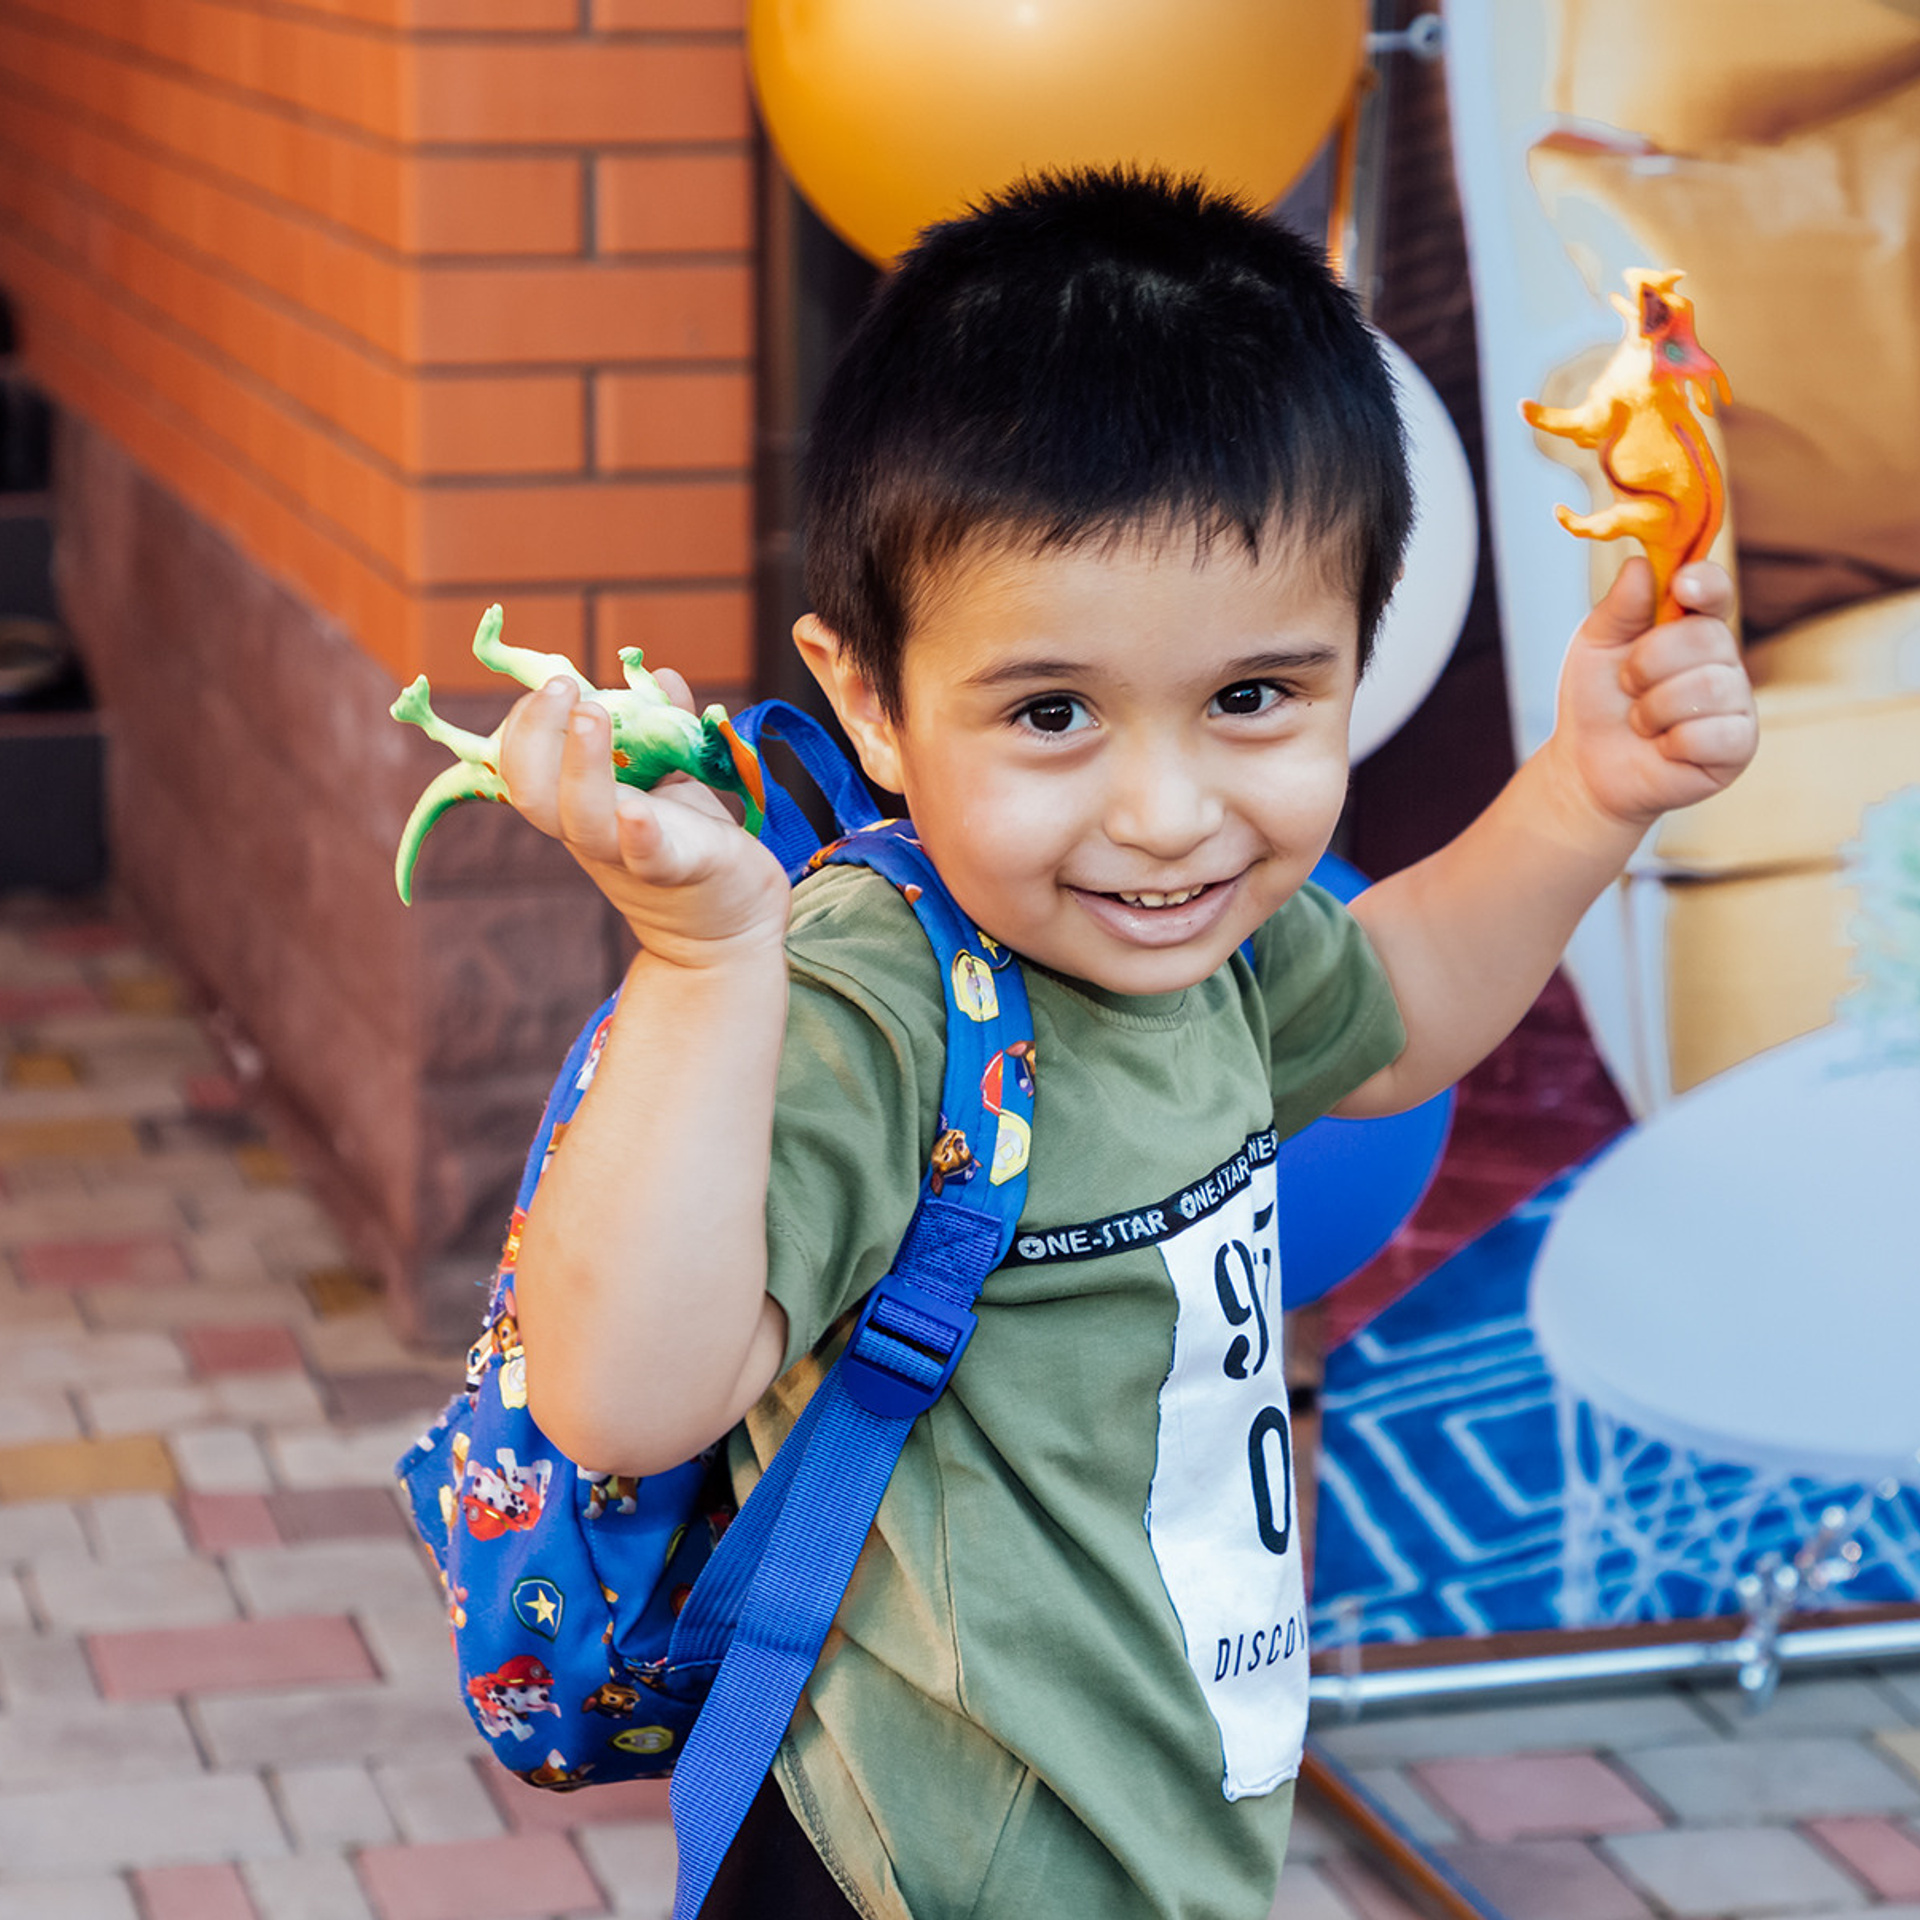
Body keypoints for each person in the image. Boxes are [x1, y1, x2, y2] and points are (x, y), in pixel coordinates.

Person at [493, 170, 1756, 1919]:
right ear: (870, 695)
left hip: (1160, 1837)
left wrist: (1589, 789)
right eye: (1053, 712)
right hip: (917, 1871)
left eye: (1253, 697)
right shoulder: (877, 992)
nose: (1167, 815)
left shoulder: (1201, 943)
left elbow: (1387, 1018)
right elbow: (624, 1396)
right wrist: (709, 964)